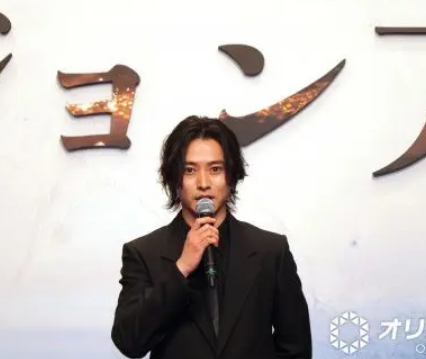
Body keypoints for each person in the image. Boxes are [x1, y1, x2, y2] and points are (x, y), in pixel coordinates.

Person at [111, 115, 312, 359]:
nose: (203, 183)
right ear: (174, 178)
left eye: (215, 169)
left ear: (231, 176)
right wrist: (181, 269)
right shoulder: (143, 253)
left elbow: (296, 349)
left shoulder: (270, 251)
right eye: (190, 170)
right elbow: (129, 342)